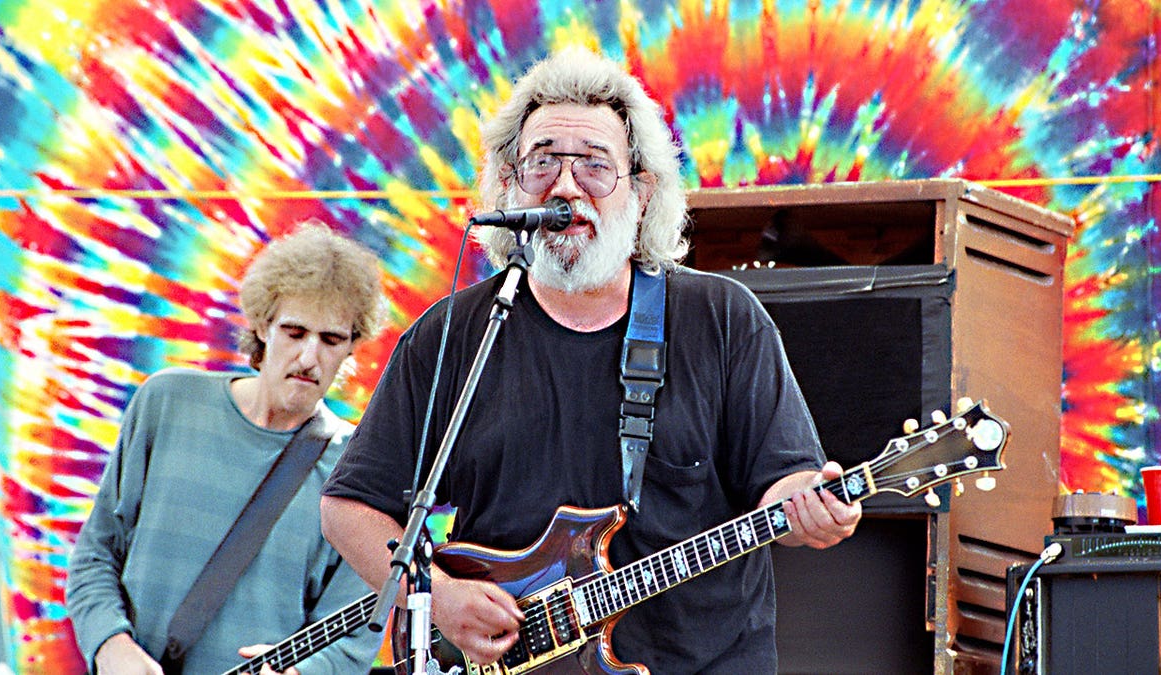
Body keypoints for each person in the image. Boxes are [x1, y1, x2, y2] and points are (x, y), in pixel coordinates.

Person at [319, 46, 862, 673]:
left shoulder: (722, 319)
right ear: (508, 183)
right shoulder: (454, 333)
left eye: (595, 167)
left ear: (641, 191)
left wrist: (814, 506)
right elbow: (350, 503)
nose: (566, 188)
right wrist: (437, 598)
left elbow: (786, 484)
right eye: (543, 163)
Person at [66, 223, 386, 674]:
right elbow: (96, 554)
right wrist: (111, 645)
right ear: (262, 325)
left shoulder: (358, 469)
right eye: (294, 332)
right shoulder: (166, 402)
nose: (309, 357)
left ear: (353, 346)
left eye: (331, 339)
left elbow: (355, 637)